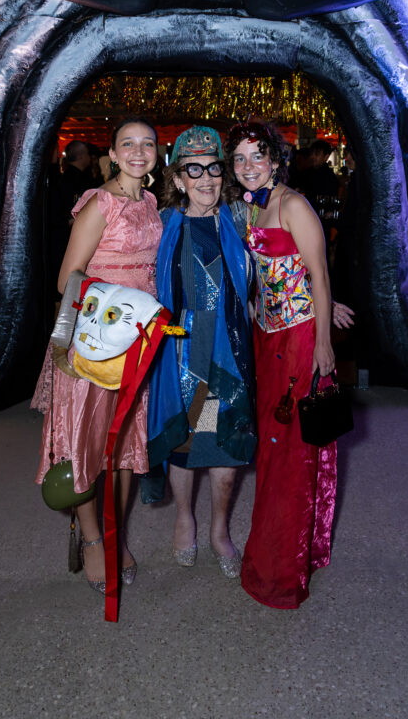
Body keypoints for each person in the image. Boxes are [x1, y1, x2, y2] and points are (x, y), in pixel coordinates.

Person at [226, 120, 354, 609]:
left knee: (292, 450)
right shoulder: (248, 208)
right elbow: (270, 272)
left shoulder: (294, 205)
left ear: (276, 161)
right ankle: (292, 547)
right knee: (272, 447)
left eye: (257, 156)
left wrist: (323, 343)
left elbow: (319, 274)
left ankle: (282, 567)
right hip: (266, 337)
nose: (248, 166)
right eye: (240, 158)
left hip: (300, 339)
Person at [32, 117, 162, 593]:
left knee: (125, 445)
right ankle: (91, 541)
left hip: (137, 343)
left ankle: (114, 533)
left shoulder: (151, 202)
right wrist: (119, 306)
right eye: (128, 143)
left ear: (157, 153)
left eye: (147, 144)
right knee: (85, 442)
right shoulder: (99, 203)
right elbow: (67, 278)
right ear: (112, 153)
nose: (138, 151)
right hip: (96, 339)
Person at [146, 126, 256, 577]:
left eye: (213, 168)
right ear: (178, 179)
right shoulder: (162, 224)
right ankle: (184, 519)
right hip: (183, 350)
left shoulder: (239, 217)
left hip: (230, 346)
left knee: (225, 442)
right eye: (194, 170)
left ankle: (219, 530)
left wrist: (323, 300)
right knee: (187, 440)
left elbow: (282, 259)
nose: (206, 179)